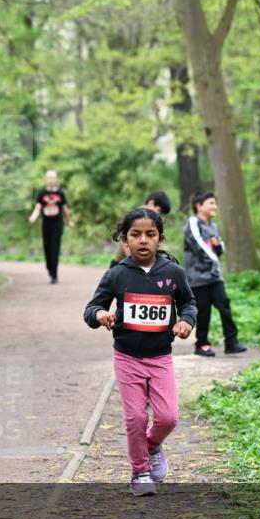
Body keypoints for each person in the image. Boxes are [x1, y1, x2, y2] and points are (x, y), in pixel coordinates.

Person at [83, 208, 196, 496]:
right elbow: (92, 308)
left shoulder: (173, 273)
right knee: (135, 417)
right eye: (135, 235)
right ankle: (140, 471)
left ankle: (152, 444)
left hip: (160, 358)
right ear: (125, 240)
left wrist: (185, 320)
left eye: (150, 234)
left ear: (159, 239)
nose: (143, 240)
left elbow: (189, 304)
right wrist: (99, 316)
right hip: (127, 358)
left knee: (168, 417)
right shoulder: (117, 274)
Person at [182, 191, 247, 357]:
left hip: (214, 276)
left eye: (215, 203)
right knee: (204, 311)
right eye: (211, 203)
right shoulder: (193, 223)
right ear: (199, 206)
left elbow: (219, 249)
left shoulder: (213, 226)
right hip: (198, 277)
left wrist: (217, 248)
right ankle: (202, 344)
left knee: (224, 305)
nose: (214, 206)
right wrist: (214, 255)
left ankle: (231, 342)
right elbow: (200, 246)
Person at [28, 170, 73, 284]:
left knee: (55, 248)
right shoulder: (42, 193)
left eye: (53, 178)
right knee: (47, 248)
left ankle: (55, 275)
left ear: (56, 179)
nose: (51, 180)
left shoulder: (60, 193)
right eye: (49, 178)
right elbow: (38, 208)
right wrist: (33, 217)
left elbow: (64, 209)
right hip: (46, 224)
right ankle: (49, 268)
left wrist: (69, 221)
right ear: (46, 179)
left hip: (57, 224)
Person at [111, 190, 172, 267]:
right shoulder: (135, 217)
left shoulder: (152, 222)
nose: (159, 215)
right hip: (122, 264)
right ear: (151, 203)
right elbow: (125, 244)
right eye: (159, 211)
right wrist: (136, 263)